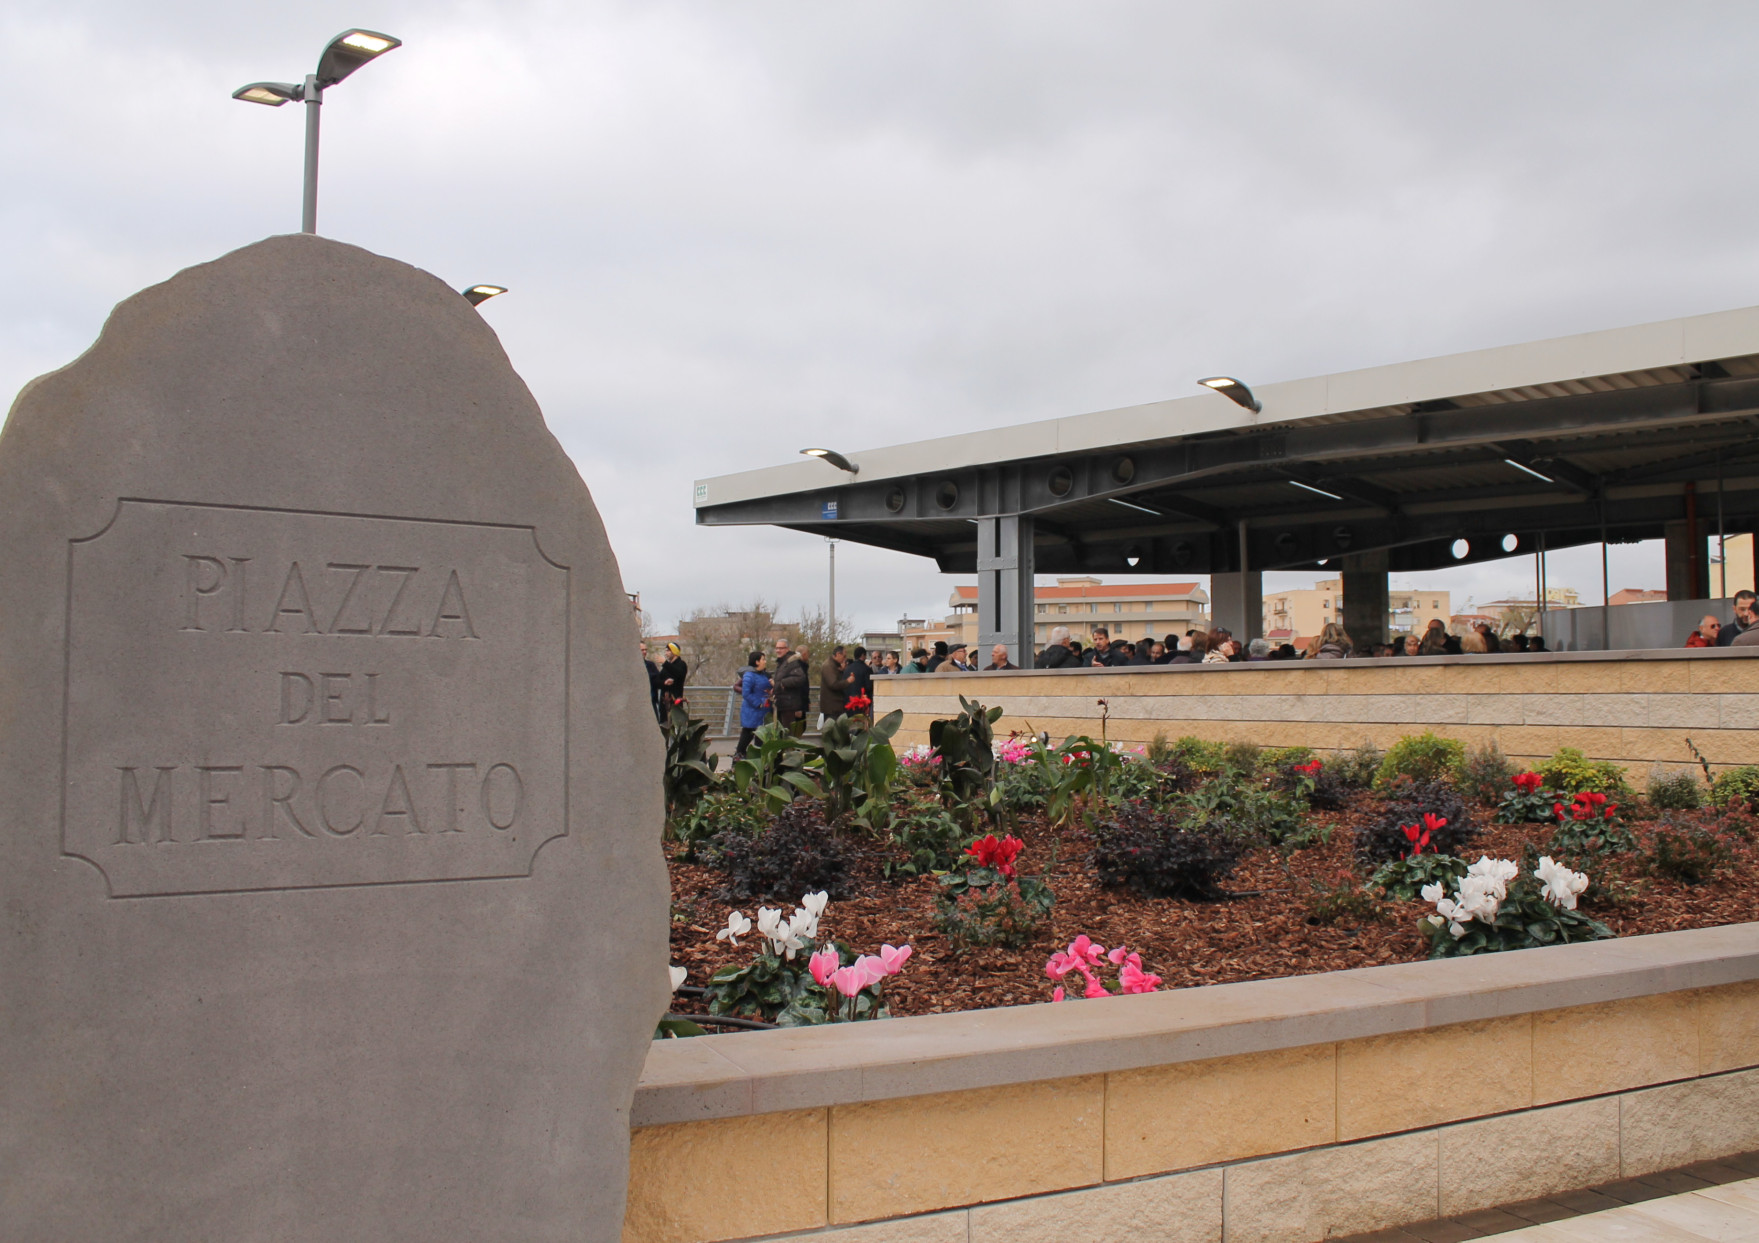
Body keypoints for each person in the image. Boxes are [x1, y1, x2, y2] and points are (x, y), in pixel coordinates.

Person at [734, 652, 771, 759]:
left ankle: (759, 764)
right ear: (757, 662)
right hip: (752, 712)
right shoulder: (749, 675)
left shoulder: (763, 674)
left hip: (763, 712)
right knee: (746, 736)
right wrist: (758, 703)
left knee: (760, 741)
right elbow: (746, 693)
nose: (765, 661)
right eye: (763, 659)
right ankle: (738, 762)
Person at [772, 641, 810, 735]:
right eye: (777, 648)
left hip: (789, 704)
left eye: (781, 648)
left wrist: (783, 683)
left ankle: (790, 749)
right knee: (783, 733)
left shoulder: (791, 661)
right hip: (782, 703)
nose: (778, 650)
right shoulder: (782, 662)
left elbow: (800, 678)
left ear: (787, 649)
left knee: (788, 734)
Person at [819, 645, 851, 720]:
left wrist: (841, 671)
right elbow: (833, 684)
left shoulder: (834, 665)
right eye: (844, 656)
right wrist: (847, 681)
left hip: (836, 706)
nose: (845, 659)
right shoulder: (828, 666)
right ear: (838, 654)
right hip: (832, 707)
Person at [656, 642, 688, 716]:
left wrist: (665, 663)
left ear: (674, 651)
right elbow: (658, 681)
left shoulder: (681, 664)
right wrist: (664, 683)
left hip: (676, 703)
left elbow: (679, 674)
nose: (666, 653)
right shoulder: (666, 667)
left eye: (668, 650)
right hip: (664, 703)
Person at [640, 640, 662, 722]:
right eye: (642, 650)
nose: (644, 652)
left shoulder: (650, 665)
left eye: (645, 650)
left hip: (651, 701)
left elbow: (658, 681)